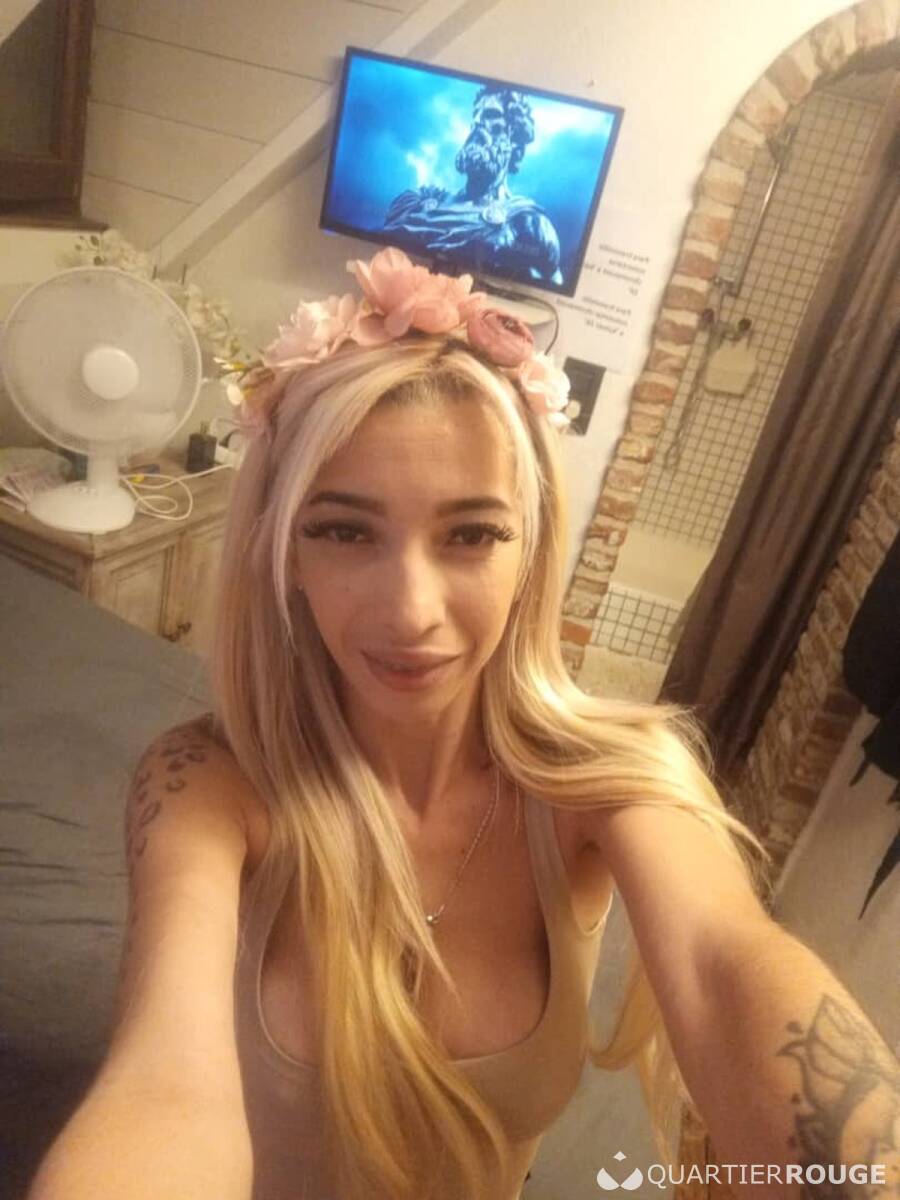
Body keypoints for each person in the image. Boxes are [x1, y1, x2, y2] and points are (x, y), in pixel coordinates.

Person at [29, 248, 899, 1200]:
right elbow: (162, 1086)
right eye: (344, 530)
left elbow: (725, 960)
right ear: (284, 555)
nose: (411, 611)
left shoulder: (611, 781)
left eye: (472, 534)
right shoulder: (204, 784)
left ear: (531, 551)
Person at [383, 86, 564, 287]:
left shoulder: (528, 224)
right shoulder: (418, 201)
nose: (477, 122)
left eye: (490, 115)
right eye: (476, 115)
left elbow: (540, 293)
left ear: (514, 139)